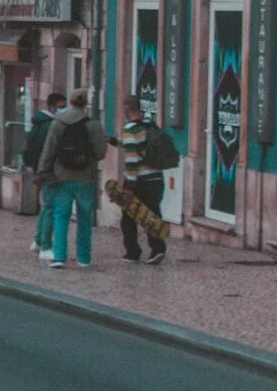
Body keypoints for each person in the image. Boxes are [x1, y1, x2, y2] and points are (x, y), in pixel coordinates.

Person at [40, 94, 107, 269]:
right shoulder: (93, 125)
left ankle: (59, 256)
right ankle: (83, 259)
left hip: (62, 176)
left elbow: (49, 150)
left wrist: (44, 171)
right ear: (85, 103)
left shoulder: (58, 123)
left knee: (61, 215)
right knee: (85, 218)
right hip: (86, 178)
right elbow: (101, 153)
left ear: (70, 102)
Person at [114, 96, 175, 264]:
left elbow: (132, 157)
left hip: (139, 180)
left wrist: (129, 187)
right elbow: (139, 146)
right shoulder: (149, 126)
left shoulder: (130, 129)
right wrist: (116, 142)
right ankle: (158, 249)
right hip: (156, 179)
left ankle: (132, 252)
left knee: (128, 218)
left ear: (127, 109)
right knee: (153, 215)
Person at [20, 92, 65, 261]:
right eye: (61, 107)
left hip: (39, 170)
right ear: (52, 107)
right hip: (49, 171)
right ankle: (45, 245)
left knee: (46, 206)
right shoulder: (51, 126)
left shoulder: (38, 123)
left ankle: (38, 241)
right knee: (50, 208)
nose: (63, 110)